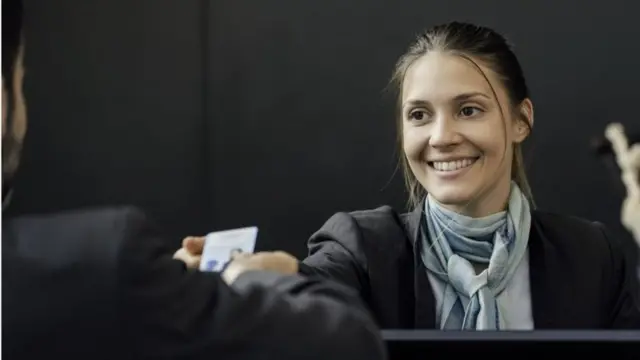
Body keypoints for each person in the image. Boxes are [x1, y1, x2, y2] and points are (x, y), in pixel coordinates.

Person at [178, 21, 640, 329]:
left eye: (469, 109)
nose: (441, 136)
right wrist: (259, 273)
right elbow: (311, 286)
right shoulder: (361, 247)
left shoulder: (592, 258)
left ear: (521, 119)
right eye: (419, 115)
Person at [2, 1, 386, 359]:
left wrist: (174, 294)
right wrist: (248, 278)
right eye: (418, 114)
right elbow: (349, 341)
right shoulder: (105, 263)